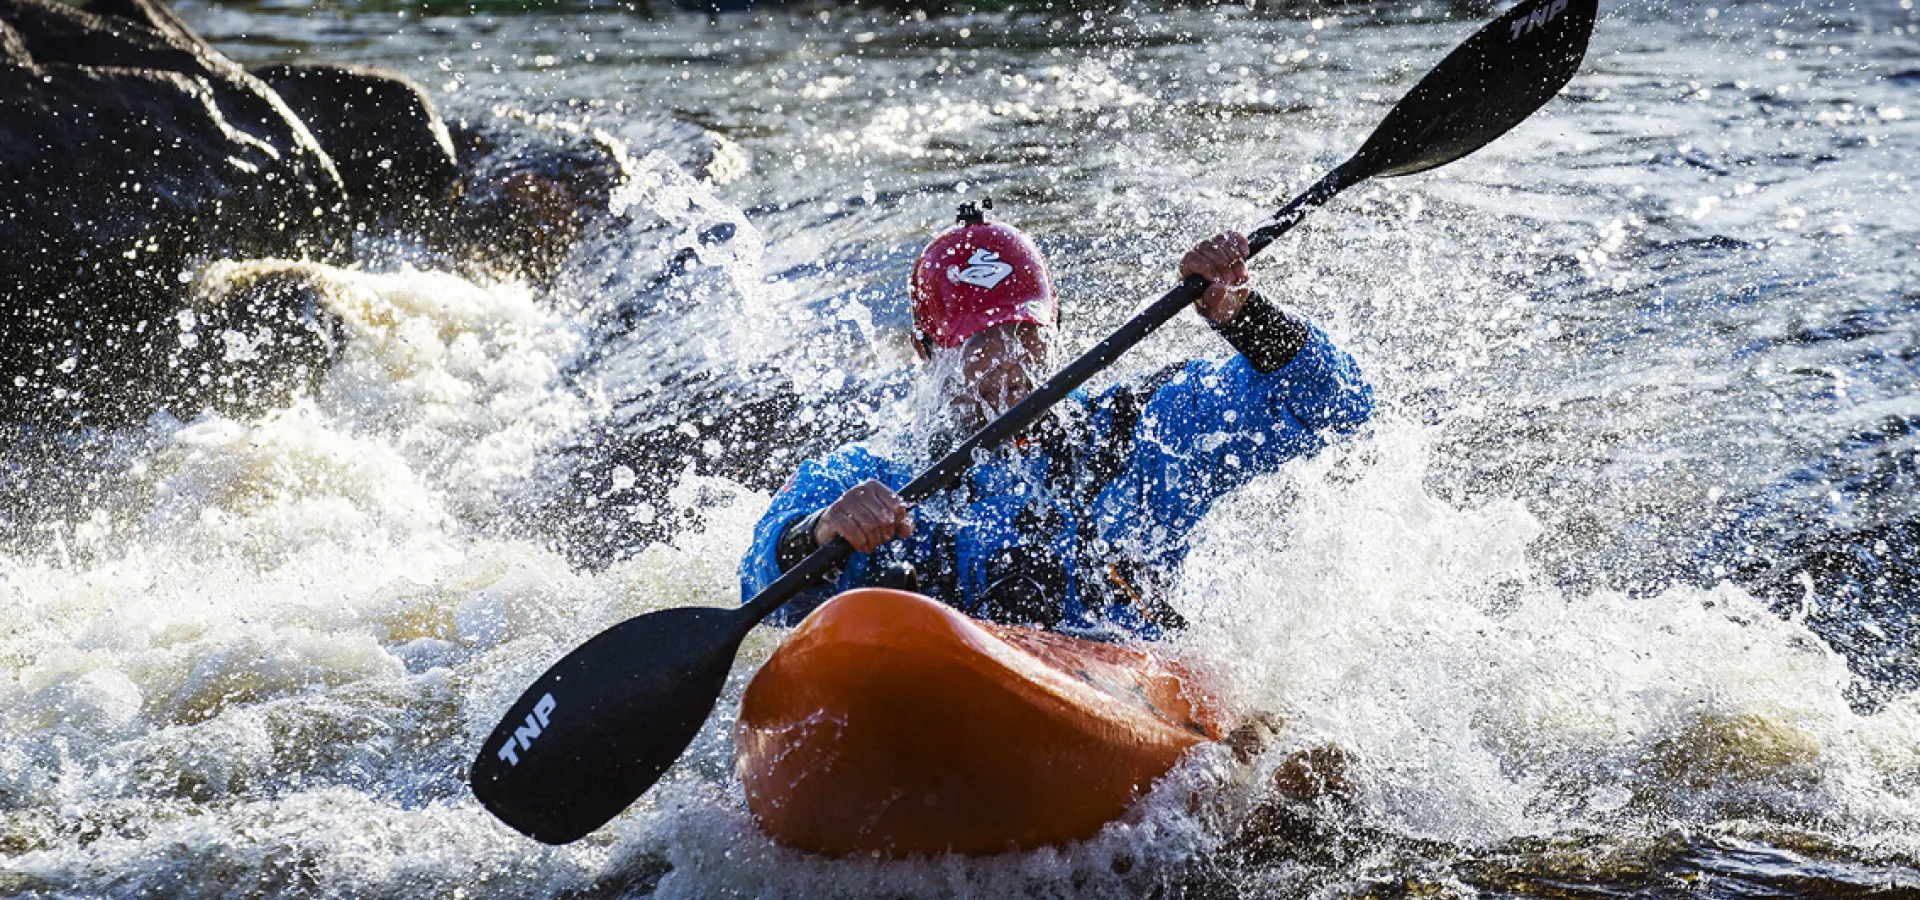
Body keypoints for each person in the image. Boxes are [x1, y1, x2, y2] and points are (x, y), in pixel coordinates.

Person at [739, 201, 1374, 638]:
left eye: (1025, 334)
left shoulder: (1140, 431)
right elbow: (756, 587)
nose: (1012, 367)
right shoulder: (882, 477)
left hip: (1117, 686)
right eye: (981, 345)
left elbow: (1341, 407)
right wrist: (821, 529)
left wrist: (1243, 314)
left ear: (1056, 327)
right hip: (946, 689)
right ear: (928, 353)